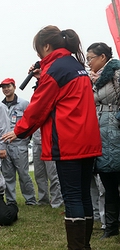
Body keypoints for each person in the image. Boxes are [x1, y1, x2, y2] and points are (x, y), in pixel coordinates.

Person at [1, 25, 102, 249]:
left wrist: (18, 131)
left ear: (46, 46)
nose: (38, 53)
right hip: (88, 139)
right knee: (84, 194)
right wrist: (42, 76)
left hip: (68, 141)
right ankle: (84, 245)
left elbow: (39, 107)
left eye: (38, 48)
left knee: (72, 196)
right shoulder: (75, 65)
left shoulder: (55, 70)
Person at [86, 42, 120, 239]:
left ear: (103, 58)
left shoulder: (116, 74)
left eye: (91, 57)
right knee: (107, 183)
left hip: (115, 132)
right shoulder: (92, 80)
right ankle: (111, 226)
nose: (89, 62)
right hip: (101, 135)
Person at [0, 78, 36, 205]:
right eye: (3, 87)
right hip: (6, 145)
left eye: (8, 86)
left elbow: (31, 123)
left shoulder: (24, 104)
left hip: (19, 145)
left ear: (14, 87)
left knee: (23, 174)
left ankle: (30, 199)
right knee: (8, 176)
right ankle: (11, 201)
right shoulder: (1, 105)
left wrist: (25, 138)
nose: (6, 89)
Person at [32, 128, 63, 208]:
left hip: (49, 142)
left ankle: (56, 200)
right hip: (36, 143)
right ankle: (43, 200)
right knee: (39, 174)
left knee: (52, 174)